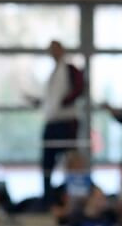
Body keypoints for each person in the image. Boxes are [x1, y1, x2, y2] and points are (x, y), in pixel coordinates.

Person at [30, 41, 86, 206]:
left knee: (72, 160)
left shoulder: (70, 70)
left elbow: (79, 89)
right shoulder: (54, 73)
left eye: (56, 49)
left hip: (66, 121)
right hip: (52, 120)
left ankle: (75, 197)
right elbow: (51, 100)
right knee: (47, 161)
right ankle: (48, 200)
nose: (53, 53)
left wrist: (63, 102)